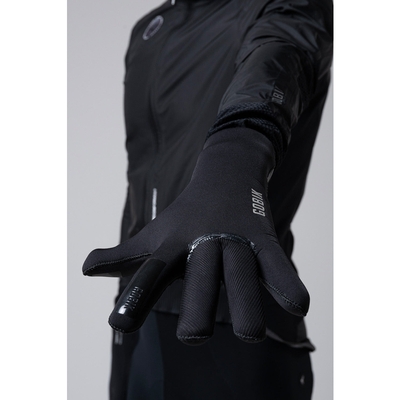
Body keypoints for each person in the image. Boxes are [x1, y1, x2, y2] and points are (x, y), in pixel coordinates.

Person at [82, 0, 333, 398]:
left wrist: (240, 144)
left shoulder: (282, 8)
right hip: (140, 307)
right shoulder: (149, 28)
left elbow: (278, 58)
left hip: (237, 311)